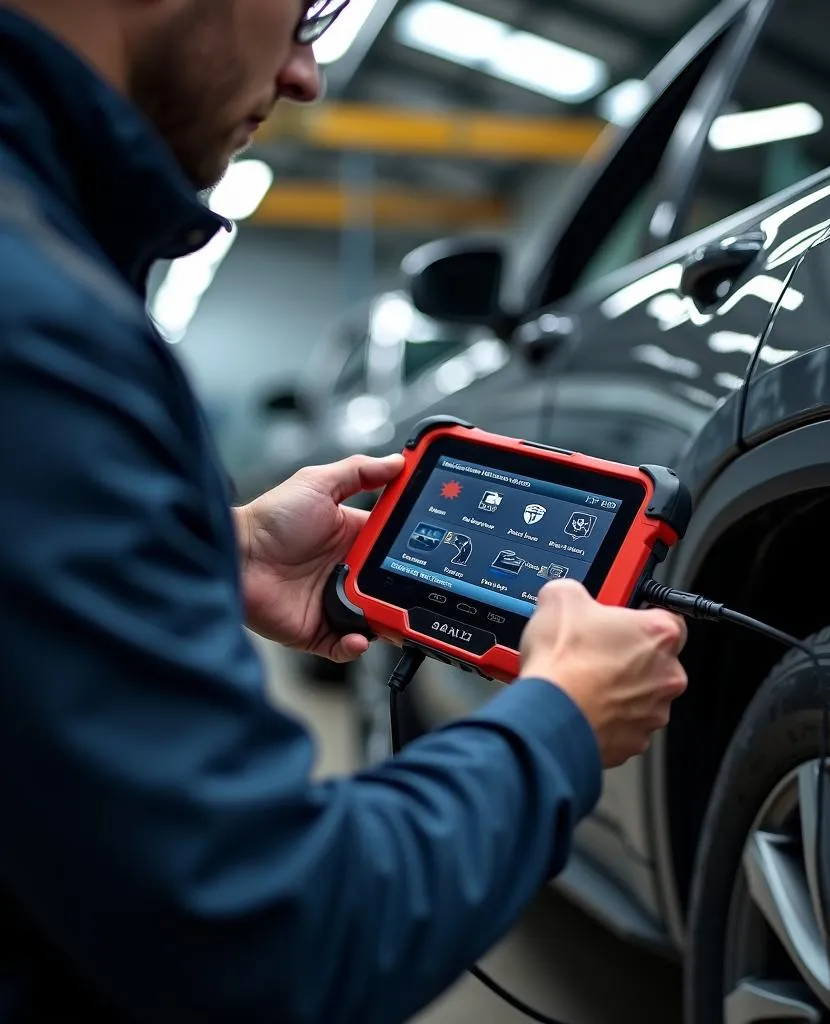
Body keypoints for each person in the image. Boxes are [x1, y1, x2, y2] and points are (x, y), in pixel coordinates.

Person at [0, 1, 689, 1022]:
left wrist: (208, 550)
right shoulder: (40, 323)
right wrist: (562, 727)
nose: (305, 74)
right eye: (304, 12)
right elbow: (268, 940)